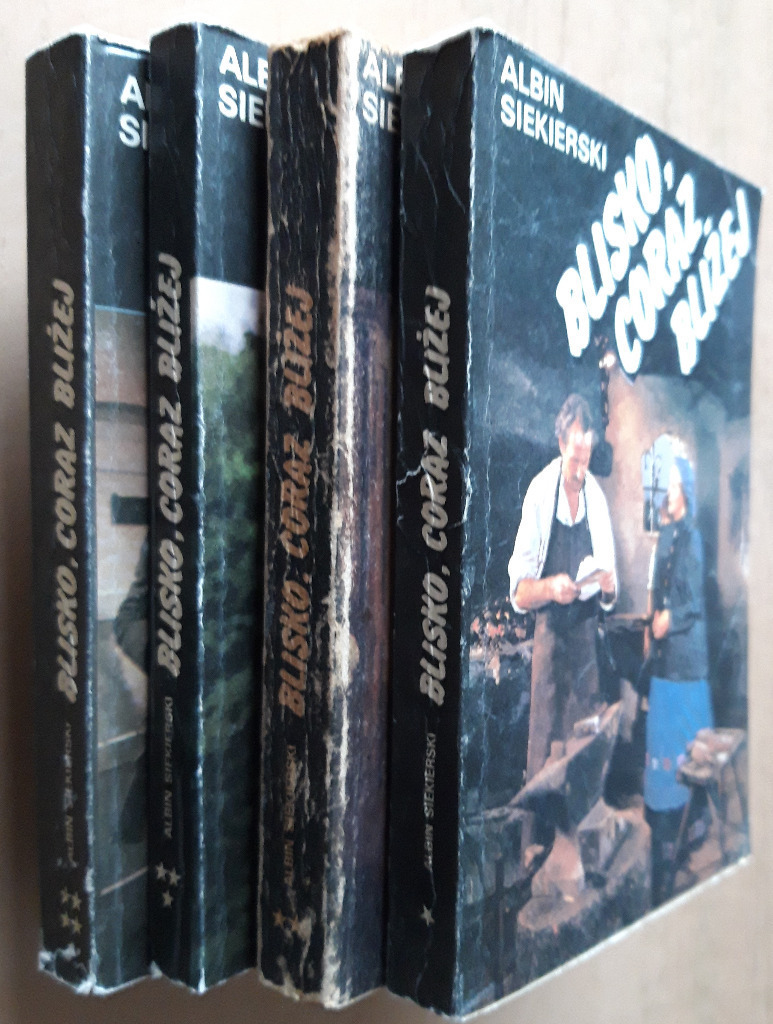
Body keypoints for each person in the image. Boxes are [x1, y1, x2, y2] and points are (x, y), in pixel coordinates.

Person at [508, 394, 618, 799]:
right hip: (550, 638)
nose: (580, 468)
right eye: (575, 458)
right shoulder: (540, 493)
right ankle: (535, 837)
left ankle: (580, 835)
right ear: (560, 445)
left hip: (585, 645)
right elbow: (519, 592)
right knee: (543, 751)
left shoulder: (596, 499)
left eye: (586, 458)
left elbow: (609, 588)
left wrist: (608, 587)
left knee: (585, 749)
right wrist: (550, 588)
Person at [644, 456, 712, 904]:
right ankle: (665, 834)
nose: (667, 493)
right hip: (664, 658)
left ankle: (693, 827)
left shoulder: (694, 537)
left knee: (688, 746)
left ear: (685, 489)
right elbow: (657, 589)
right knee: (662, 741)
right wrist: (653, 620)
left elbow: (694, 602)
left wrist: (671, 618)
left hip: (687, 658)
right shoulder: (665, 535)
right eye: (665, 486)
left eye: (672, 486)